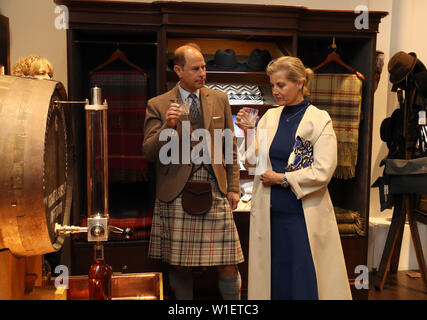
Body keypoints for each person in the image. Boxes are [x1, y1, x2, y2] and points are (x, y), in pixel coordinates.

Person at [237, 56, 352, 300]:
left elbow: (323, 170)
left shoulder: (319, 120)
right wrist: (248, 132)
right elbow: (251, 162)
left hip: (302, 217)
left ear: (300, 83)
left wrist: (281, 178)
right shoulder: (270, 117)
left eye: (281, 85)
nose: (275, 91)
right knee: (274, 280)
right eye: (272, 86)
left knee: (302, 280)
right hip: (270, 217)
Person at [142, 43, 244, 300]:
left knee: (228, 262)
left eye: (204, 66)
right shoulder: (158, 104)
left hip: (215, 188)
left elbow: (229, 144)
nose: (203, 72)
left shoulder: (219, 99)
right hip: (176, 191)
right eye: (195, 68)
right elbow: (149, 153)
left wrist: (233, 186)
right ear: (178, 70)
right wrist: (168, 125)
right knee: (178, 263)